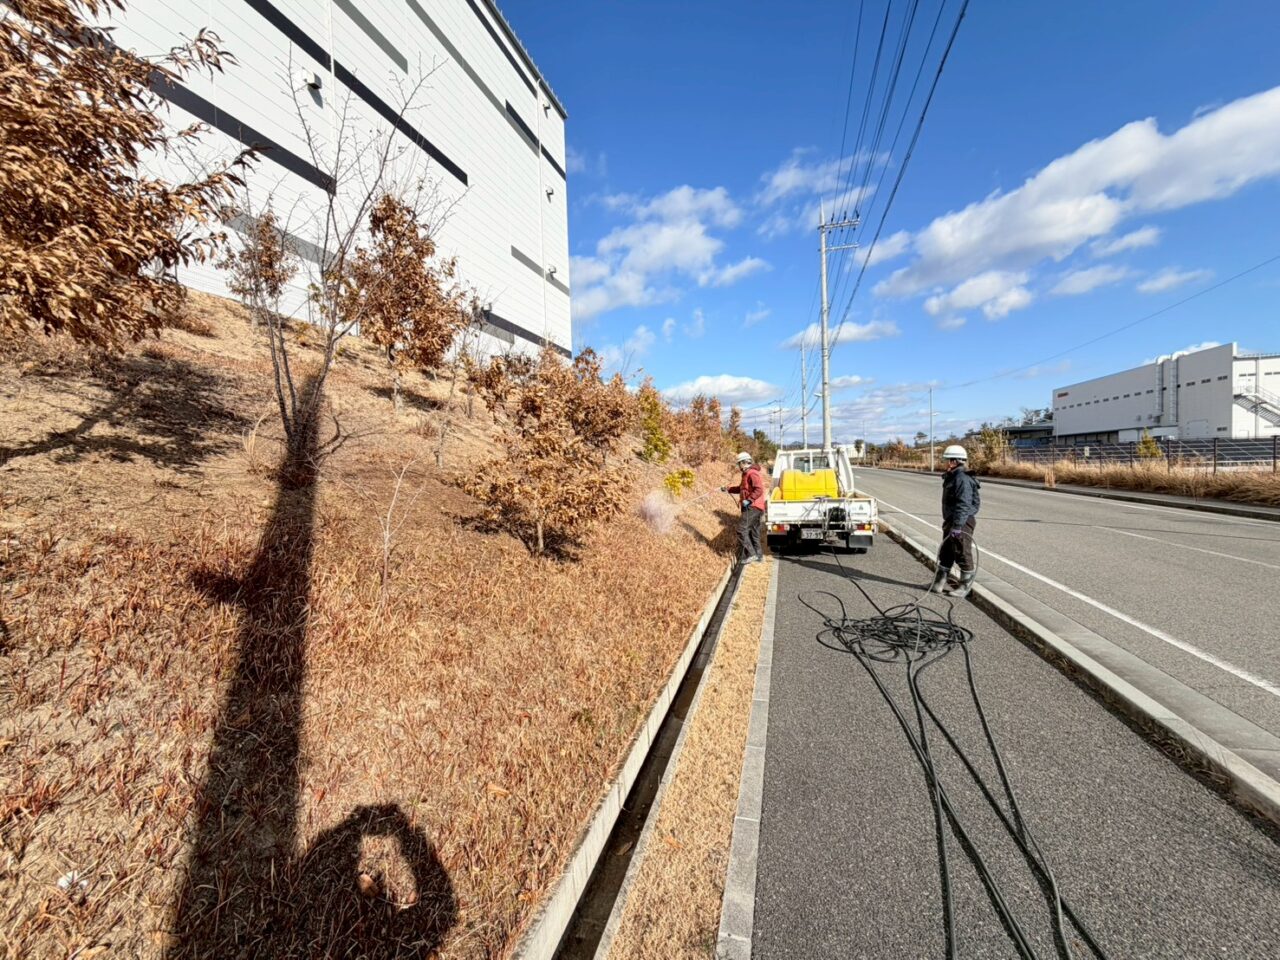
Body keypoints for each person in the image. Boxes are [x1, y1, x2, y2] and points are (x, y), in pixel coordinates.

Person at [930, 444, 980, 598]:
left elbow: (963, 504)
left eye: (947, 460)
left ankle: (965, 587)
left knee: (962, 552)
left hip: (962, 521)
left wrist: (958, 526)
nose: (945, 463)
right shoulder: (953, 476)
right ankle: (938, 583)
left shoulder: (962, 479)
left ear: (954, 461)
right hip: (952, 520)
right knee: (946, 552)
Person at [721, 451, 766, 565]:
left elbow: (759, 489)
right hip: (754, 507)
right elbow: (741, 489)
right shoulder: (745, 474)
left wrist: (749, 500)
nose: (738, 466)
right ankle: (759, 556)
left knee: (741, 530)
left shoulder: (752, 473)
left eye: (739, 463)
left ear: (745, 462)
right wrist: (728, 489)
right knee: (753, 532)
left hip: (753, 507)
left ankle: (751, 554)